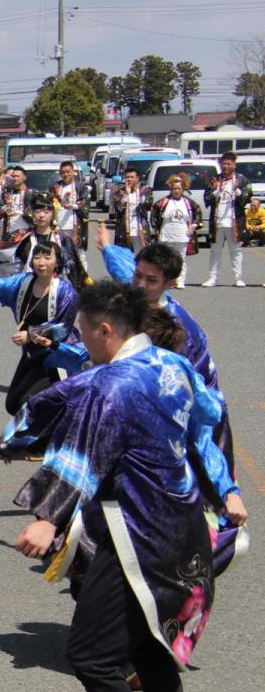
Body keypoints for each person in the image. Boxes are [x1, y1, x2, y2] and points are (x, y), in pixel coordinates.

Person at [11, 280, 227, 692]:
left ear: (105, 329)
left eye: (83, 330)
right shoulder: (173, 365)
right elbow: (210, 416)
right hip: (183, 526)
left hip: (137, 532)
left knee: (89, 655)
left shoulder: (111, 385)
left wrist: (47, 517)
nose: (80, 338)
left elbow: (85, 451)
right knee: (152, 646)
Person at [97, 224, 233, 468]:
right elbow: (121, 268)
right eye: (138, 275)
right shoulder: (135, 292)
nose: (140, 284)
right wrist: (108, 248)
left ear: (170, 284)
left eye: (151, 280)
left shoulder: (181, 330)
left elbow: (199, 392)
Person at [0, 241, 78, 415]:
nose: (41, 262)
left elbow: (63, 327)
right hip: (31, 353)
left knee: (28, 404)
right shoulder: (23, 282)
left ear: (57, 262)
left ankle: (48, 429)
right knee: (14, 403)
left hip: (56, 356)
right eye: (37, 257)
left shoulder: (65, 291)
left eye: (47, 258)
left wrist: (31, 335)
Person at [14, 195, 89, 290]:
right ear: (33, 213)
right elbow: (15, 265)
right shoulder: (25, 239)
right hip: (29, 287)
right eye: (37, 211)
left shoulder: (62, 239)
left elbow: (74, 268)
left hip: (56, 288)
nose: (41, 215)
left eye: (46, 212)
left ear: (53, 214)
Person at [201, 151, 251, 288]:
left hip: (234, 221)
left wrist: (237, 190)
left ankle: (238, 278)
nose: (226, 166)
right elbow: (207, 197)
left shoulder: (242, 180)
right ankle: (213, 278)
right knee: (215, 250)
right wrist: (218, 191)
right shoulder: (214, 180)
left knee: (236, 251)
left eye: (229, 164)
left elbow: (247, 197)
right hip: (217, 221)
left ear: (234, 165)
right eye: (224, 164)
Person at [149, 174, 201, 291]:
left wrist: (194, 225)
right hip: (166, 235)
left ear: (183, 189)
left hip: (182, 236)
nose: (176, 191)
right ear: (171, 189)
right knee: (166, 260)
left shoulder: (189, 203)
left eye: (179, 188)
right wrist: (155, 230)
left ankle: (180, 281)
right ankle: (167, 281)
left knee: (181, 259)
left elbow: (198, 214)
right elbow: (154, 216)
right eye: (174, 188)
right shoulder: (162, 202)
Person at [110, 166, 152, 253]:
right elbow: (118, 209)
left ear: (137, 178)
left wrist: (140, 195)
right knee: (125, 256)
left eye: (132, 177)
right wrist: (126, 194)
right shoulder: (119, 192)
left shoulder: (144, 191)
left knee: (141, 255)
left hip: (140, 230)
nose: (129, 179)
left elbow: (147, 205)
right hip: (124, 231)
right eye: (127, 177)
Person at [50, 160, 88, 251]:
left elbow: (85, 204)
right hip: (58, 224)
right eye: (63, 172)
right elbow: (49, 202)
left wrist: (73, 206)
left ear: (73, 172)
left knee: (77, 252)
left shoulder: (81, 187)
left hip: (74, 225)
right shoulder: (55, 187)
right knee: (58, 251)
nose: (65, 174)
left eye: (68, 172)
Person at [0, 165, 33, 240]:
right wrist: (7, 206)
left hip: (23, 230)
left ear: (24, 177)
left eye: (17, 176)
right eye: (13, 176)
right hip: (7, 230)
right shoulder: (7, 192)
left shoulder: (29, 194)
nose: (15, 178)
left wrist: (17, 212)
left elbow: (31, 213)